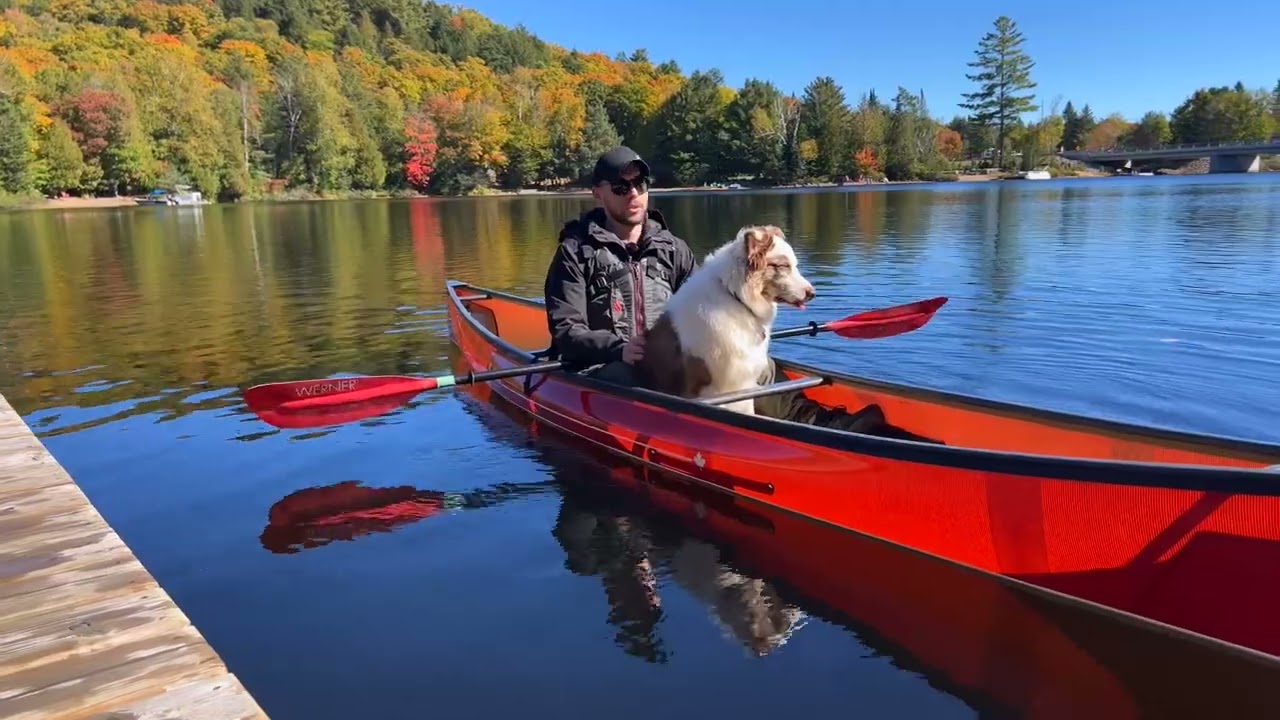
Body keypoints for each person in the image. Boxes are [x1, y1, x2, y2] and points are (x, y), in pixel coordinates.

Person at [542, 147, 938, 440]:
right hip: (612, 365)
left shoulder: (672, 248)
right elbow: (566, 331)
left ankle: (838, 431)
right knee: (629, 378)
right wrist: (617, 348)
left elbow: (705, 311)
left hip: (675, 357)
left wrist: (746, 330)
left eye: (640, 184)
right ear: (598, 193)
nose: (634, 193)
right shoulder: (576, 252)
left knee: (760, 369)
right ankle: (721, 441)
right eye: (620, 186)